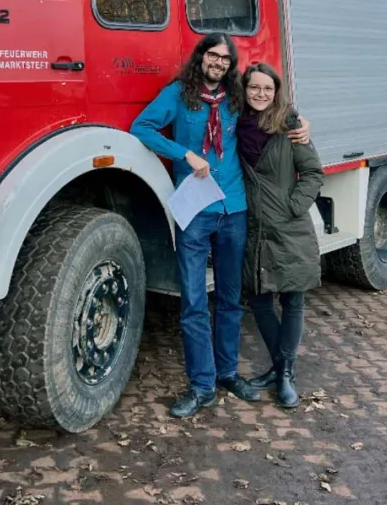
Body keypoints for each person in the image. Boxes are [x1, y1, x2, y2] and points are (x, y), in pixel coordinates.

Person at [130, 34, 310, 418]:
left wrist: (301, 124)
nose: (218, 63)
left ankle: (228, 373)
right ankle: (201, 385)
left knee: (230, 300)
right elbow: (141, 127)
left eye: (225, 59)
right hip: (194, 210)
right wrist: (185, 153)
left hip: (235, 210)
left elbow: (270, 103)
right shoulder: (179, 94)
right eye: (212, 55)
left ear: (231, 65)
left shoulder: (235, 99)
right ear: (201, 58)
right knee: (194, 301)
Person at [238, 62, 324, 408]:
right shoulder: (236, 124)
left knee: (292, 299)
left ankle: (285, 373)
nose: (260, 94)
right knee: (259, 299)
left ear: (277, 93)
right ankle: (280, 367)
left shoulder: (290, 125)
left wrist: (292, 206)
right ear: (244, 90)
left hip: (289, 228)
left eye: (267, 89)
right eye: (254, 87)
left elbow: (314, 172)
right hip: (254, 228)